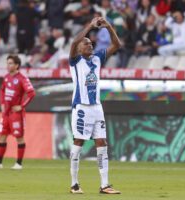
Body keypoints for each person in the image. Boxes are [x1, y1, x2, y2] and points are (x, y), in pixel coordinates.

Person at [69, 17, 121, 194]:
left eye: (91, 43)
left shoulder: (98, 58)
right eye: (86, 44)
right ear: (78, 48)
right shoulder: (75, 61)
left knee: (102, 142)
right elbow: (75, 41)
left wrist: (108, 26)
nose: (89, 45)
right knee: (79, 142)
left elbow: (117, 44)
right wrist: (90, 26)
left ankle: (104, 184)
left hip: (97, 107)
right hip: (81, 107)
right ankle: (74, 184)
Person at [0, 55, 36, 170]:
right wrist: (2, 104)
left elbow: (32, 93)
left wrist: (21, 106)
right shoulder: (6, 77)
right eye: (7, 63)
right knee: (2, 136)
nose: (8, 66)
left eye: (10, 63)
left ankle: (19, 164)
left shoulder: (22, 78)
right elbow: (2, 90)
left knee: (19, 137)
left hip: (16, 114)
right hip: (6, 113)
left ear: (17, 65)